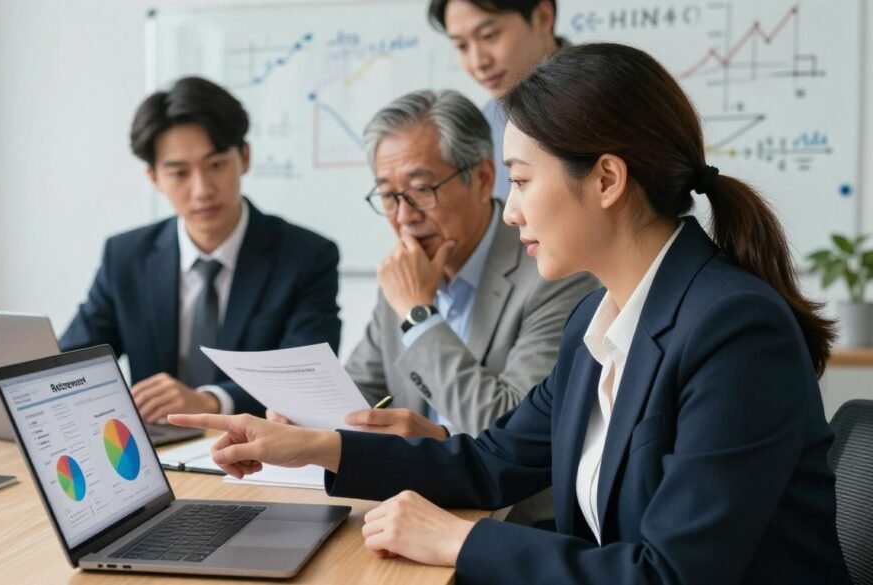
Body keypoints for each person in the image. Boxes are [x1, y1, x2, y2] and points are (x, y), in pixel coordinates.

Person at [169, 44, 851, 584]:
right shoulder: (599, 320)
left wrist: (459, 539)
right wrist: (312, 446)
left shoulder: (733, 329)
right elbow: (489, 462)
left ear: (607, 180)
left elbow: (669, 573)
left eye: (522, 180)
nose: (513, 209)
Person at [60, 76, 341, 422]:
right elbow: (72, 364)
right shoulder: (126, 256)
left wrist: (209, 402)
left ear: (245, 156)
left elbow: (308, 377)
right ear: (154, 178)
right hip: (154, 452)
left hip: (257, 450)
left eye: (217, 165)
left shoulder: (306, 257)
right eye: (179, 173)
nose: (202, 190)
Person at [317, 90, 596, 438]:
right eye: (389, 196)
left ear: (482, 178)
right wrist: (307, 416)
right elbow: (361, 394)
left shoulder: (552, 272)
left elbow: (515, 430)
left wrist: (418, 314)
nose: (404, 218)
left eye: (420, 190)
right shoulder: (407, 271)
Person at [428, 0, 563, 198]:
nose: (478, 62)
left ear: (543, 17)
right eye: (462, 46)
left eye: (488, 36)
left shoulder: (606, 98)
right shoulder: (486, 125)